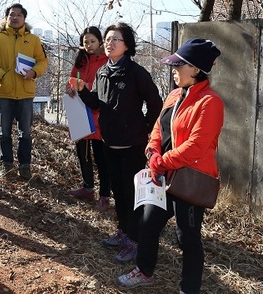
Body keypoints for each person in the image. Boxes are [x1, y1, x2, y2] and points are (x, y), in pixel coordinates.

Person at [116, 39, 224, 293]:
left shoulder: (210, 102)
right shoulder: (174, 95)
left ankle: (189, 287)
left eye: (179, 65)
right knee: (147, 224)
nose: (173, 70)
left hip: (189, 179)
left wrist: (162, 162)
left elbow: (196, 146)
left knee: (187, 237)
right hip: (161, 175)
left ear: (196, 69)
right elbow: (158, 128)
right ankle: (144, 271)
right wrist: (152, 151)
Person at [75, 22, 162, 263]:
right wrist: (83, 90)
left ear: (127, 45)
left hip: (132, 145)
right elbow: (97, 103)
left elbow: (156, 103)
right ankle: (123, 231)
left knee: (133, 194)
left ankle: (134, 240)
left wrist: (145, 127)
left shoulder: (136, 73)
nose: (110, 43)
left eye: (116, 40)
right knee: (118, 192)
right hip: (109, 142)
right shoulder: (103, 71)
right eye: (108, 39)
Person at [0, 3, 48, 180]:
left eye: (19, 15)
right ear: (6, 17)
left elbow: (43, 61)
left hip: (26, 92)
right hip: (4, 92)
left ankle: (25, 166)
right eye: (12, 14)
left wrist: (34, 72)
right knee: (4, 131)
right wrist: (2, 75)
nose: (15, 17)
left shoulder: (33, 39)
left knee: (25, 132)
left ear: (24, 19)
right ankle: (7, 166)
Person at [65, 26, 110, 211]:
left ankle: (105, 195)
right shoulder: (81, 59)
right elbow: (72, 78)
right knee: (82, 154)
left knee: (102, 158)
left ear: (100, 41)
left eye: (92, 41)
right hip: (80, 112)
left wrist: (86, 87)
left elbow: (105, 86)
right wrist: (70, 87)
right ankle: (88, 187)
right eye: (85, 42)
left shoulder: (107, 60)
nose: (89, 45)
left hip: (98, 114)